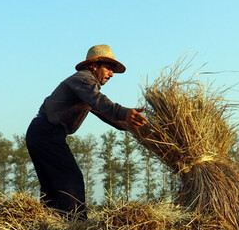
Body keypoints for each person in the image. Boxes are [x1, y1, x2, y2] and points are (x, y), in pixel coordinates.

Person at [25, 44, 147, 218]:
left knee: (52, 186)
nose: (112, 74)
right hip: (46, 133)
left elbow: (107, 114)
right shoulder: (83, 79)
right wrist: (125, 112)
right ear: (94, 65)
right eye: (109, 68)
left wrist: (137, 128)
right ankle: (75, 226)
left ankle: (49, 227)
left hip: (43, 134)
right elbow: (101, 102)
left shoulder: (85, 91)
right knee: (71, 181)